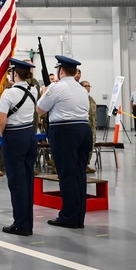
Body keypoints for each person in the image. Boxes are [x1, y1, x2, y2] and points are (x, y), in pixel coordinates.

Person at [37, 55, 92, 229]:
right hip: (84, 130)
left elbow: (40, 110)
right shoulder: (82, 89)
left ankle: (68, 216)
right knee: (79, 174)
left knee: (67, 175)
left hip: (65, 131)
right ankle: (78, 216)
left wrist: (45, 92)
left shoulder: (56, 87)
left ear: (60, 70)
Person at [0, 58, 40, 236]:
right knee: (28, 180)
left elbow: (1, 121)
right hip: (30, 134)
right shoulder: (34, 89)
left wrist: (2, 135)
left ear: (15, 73)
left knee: (16, 182)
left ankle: (21, 224)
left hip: (14, 136)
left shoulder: (9, 93)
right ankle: (27, 222)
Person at [81, 78, 97, 173]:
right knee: (84, 146)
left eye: (88, 86)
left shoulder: (91, 100)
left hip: (92, 126)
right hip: (84, 125)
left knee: (91, 145)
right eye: (85, 86)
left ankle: (86, 163)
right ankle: (82, 164)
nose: (87, 88)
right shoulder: (80, 98)